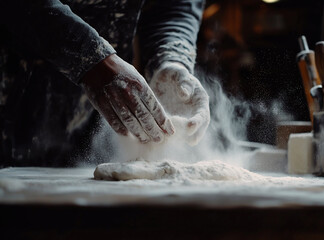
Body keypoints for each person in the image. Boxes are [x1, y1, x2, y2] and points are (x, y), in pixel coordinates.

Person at [0, 0, 210, 166]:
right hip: (11, 95)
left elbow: (172, 7)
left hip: (86, 120)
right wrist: (90, 57)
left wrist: (172, 58)